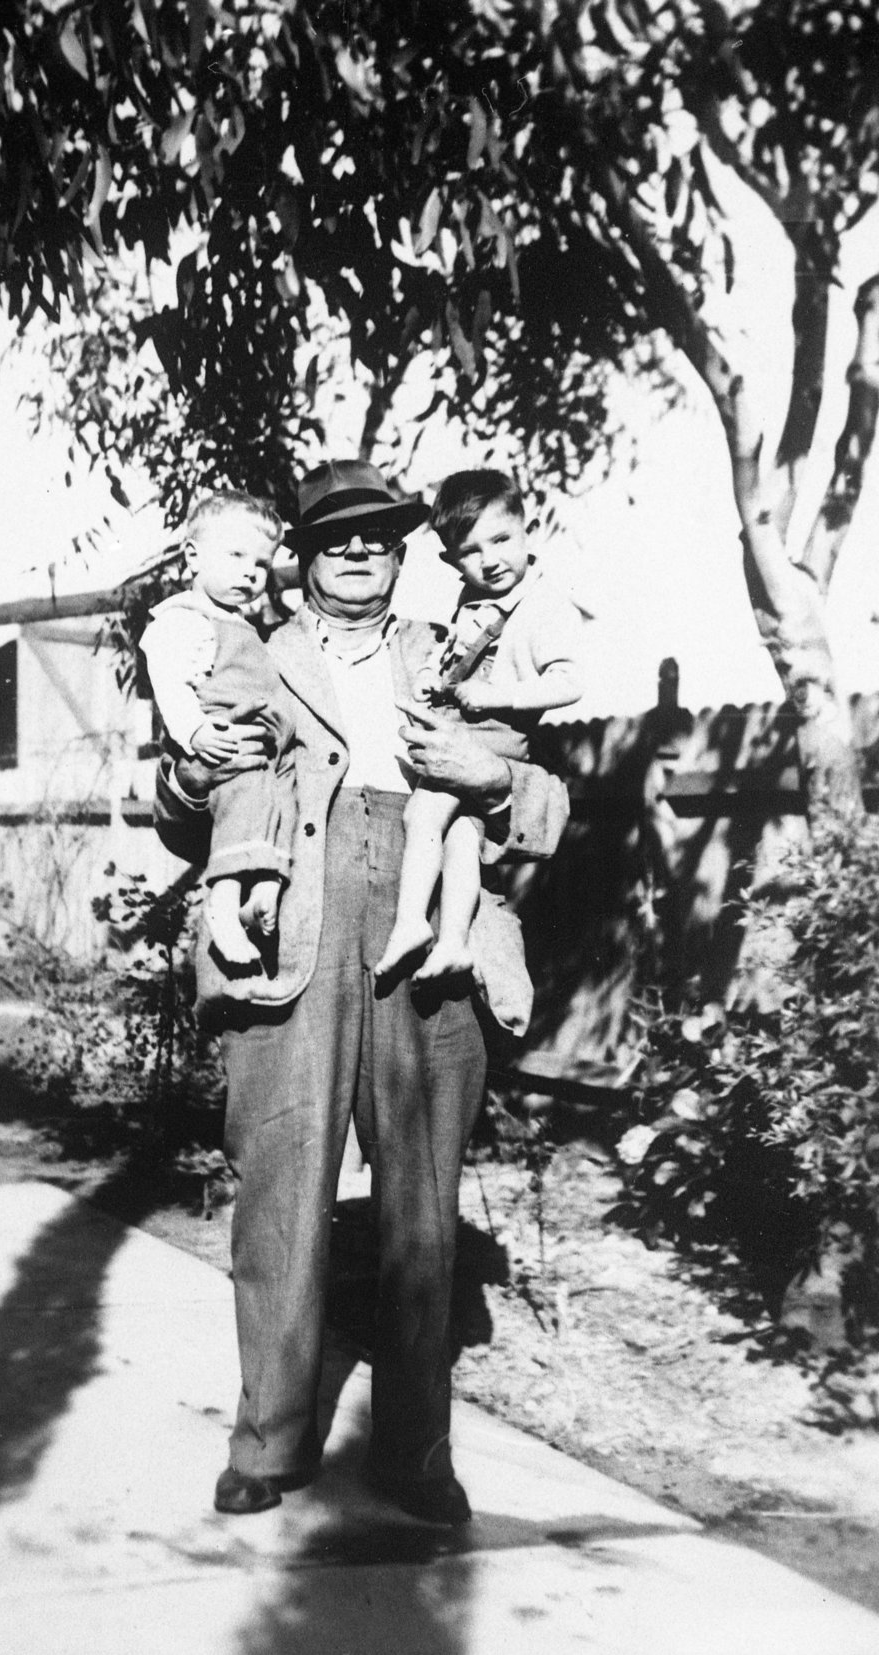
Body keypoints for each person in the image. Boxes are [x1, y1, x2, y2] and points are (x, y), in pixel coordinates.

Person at [158, 459, 570, 1526]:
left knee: (421, 1208)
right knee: (282, 1190)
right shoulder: (244, 648)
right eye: (335, 535)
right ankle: (268, 1440)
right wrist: (196, 771)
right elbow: (167, 801)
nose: (357, 551)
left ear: (403, 552)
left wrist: (492, 780)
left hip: (430, 937)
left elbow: (552, 801)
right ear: (299, 554)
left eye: (379, 535)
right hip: (293, 934)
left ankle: (414, 1451)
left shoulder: (458, 649)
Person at [374, 467, 585, 985]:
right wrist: (430, 676)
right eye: (471, 551)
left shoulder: (543, 604)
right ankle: (454, 943)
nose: (490, 560)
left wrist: (500, 695)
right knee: (463, 833)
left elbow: (569, 681)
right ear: (450, 560)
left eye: (501, 539)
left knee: (423, 812)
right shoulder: (473, 601)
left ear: (527, 528)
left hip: (495, 729)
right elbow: (455, 654)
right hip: (469, 719)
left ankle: (409, 924)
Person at [140, 490, 297, 968]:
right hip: (223, 737)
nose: (249, 573)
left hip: (268, 745)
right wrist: (196, 734)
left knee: (286, 796)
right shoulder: (186, 618)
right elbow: (168, 682)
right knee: (249, 794)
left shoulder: (245, 624)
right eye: (235, 556)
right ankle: (223, 905)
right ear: (193, 555)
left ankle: (265, 888)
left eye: (261, 564)